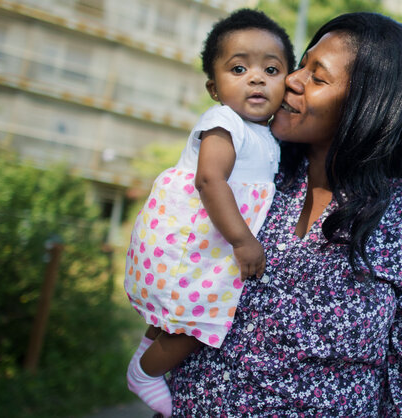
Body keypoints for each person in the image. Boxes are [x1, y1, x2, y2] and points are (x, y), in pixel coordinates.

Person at [167, 12, 402, 416]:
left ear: (368, 105)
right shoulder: (252, 174)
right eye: (301, 64)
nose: (291, 79)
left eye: (318, 77)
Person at [122, 9, 294, 416]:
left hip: (211, 246)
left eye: (271, 69)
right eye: (238, 68)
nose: (256, 78)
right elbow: (210, 181)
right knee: (202, 324)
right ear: (214, 87)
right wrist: (243, 240)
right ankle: (144, 373)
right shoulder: (223, 121)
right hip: (196, 242)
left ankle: (147, 354)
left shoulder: (267, 133)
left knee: (178, 316)